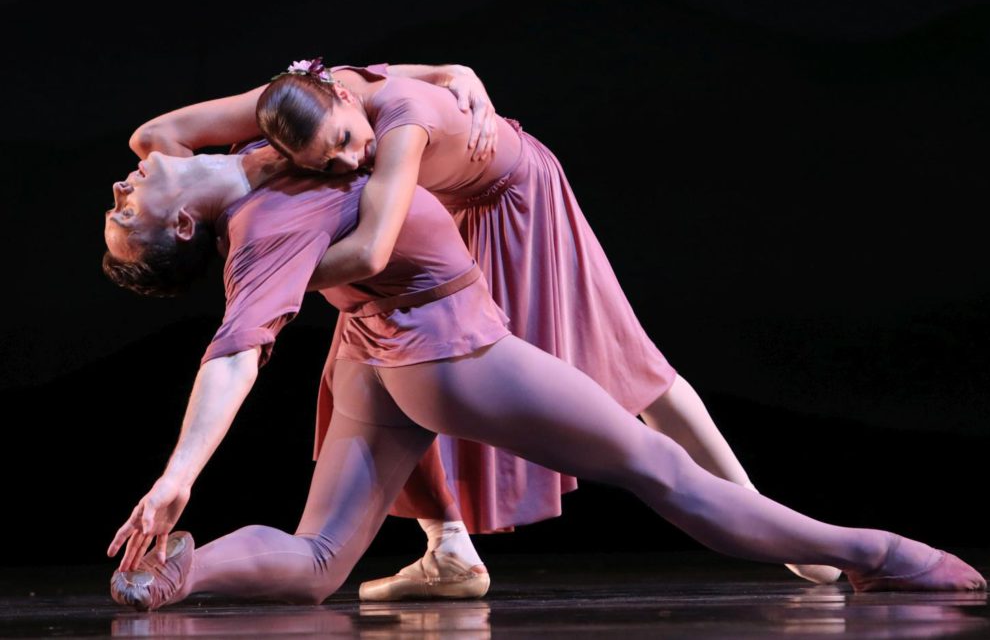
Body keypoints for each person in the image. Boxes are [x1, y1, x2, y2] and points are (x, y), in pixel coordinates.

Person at [102, 145, 984, 612]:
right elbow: (236, 354)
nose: (119, 185)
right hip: (447, 354)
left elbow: (166, 133)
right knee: (662, 471)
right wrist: (178, 475)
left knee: (321, 560)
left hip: (378, 357)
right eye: (124, 212)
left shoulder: (244, 153)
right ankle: (877, 553)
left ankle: (180, 576)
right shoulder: (261, 229)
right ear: (185, 225)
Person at [131, 59, 838, 598]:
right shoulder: (307, 118)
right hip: (435, 208)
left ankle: (763, 516)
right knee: (377, 351)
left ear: (343, 102)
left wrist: (272, 273)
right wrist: (215, 201)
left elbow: (372, 246)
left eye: (346, 144)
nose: (348, 159)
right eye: (326, 160)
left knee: (629, 365)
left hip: (511, 199)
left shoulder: (381, 120)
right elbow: (157, 141)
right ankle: (450, 548)